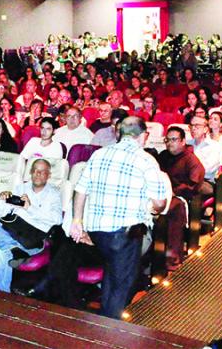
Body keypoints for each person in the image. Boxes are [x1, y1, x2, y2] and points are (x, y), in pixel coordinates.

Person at [70, 117, 167, 319]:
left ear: (119, 133)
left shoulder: (99, 154)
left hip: (97, 232)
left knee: (112, 275)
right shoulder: (146, 160)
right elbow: (159, 203)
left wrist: (77, 221)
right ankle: (109, 332)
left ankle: (102, 321)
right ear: (142, 136)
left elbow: (80, 190)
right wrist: (153, 208)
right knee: (122, 286)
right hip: (123, 234)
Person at [0, 158, 63, 292]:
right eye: (35, 170)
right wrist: (2, 201)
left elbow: (57, 220)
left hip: (32, 238)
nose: (38, 174)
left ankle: (2, 294)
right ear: (30, 172)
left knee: (1, 251)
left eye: (42, 171)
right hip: (13, 230)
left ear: (48, 175)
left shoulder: (53, 194)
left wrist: (29, 208)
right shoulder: (21, 188)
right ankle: (13, 248)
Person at [156, 127, 205, 270]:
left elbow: (193, 185)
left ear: (183, 141)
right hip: (160, 193)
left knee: (174, 209)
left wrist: (172, 192)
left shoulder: (191, 160)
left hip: (180, 196)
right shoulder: (163, 156)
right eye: (167, 140)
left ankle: (172, 258)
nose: (170, 143)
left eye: (174, 140)